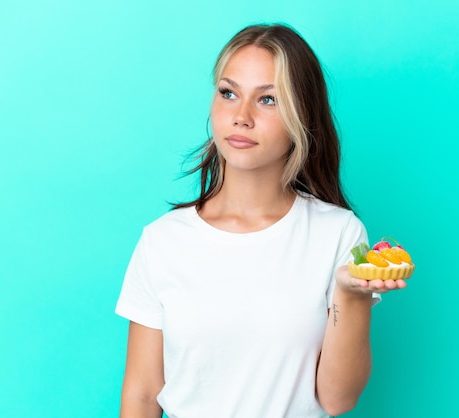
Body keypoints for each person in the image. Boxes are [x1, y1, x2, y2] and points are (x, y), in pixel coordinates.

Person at [115, 23, 407, 418]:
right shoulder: (163, 241)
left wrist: (350, 296)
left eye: (268, 100)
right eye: (228, 93)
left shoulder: (338, 233)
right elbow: (142, 395)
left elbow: (338, 400)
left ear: (301, 115)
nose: (241, 116)